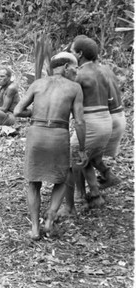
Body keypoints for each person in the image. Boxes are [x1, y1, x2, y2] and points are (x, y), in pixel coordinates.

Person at [14, 52, 87, 240]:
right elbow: (79, 122)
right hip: (58, 135)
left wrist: (37, 114)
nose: (76, 72)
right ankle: (50, 220)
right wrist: (82, 149)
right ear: (65, 67)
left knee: (33, 182)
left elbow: (17, 110)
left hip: (36, 134)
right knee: (61, 180)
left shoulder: (37, 84)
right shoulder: (74, 88)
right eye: (75, 68)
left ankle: (35, 229)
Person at [59, 37, 112, 216]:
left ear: (79, 54)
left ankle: (70, 206)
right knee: (85, 158)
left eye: (72, 51)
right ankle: (95, 196)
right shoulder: (104, 71)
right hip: (106, 121)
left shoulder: (80, 74)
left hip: (91, 123)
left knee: (68, 161)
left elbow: (68, 96)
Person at [94, 63, 126, 189]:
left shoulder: (88, 73)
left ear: (80, 54)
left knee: (81, 156)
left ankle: (91, 193)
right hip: (118, 114)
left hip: (107, 117)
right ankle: (107, 175)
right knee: (91, 155)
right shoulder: (105, 68)